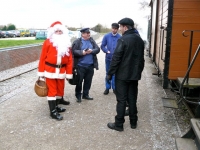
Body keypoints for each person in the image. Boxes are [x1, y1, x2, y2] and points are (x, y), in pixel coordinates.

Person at [107, 18, 145, 131]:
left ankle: (119, 124)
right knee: (132, 99)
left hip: (122, 76)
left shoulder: (123, 40)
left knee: (122, 100)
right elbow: (141, 60)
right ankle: (133, 122)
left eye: (120, 27)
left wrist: (110, 73)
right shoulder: (139, 40)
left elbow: (116, 58)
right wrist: (138, 72)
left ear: (125, 27)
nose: (120, 30)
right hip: (134, 76)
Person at [37, 21, 73, 120]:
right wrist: (41, 73)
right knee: (52, 90)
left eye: (60, 30)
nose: (58, 32)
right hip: (50, 70)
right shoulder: (47, 42)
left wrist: (69, 73)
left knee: (60, 90)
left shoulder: (67, 43)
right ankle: (52, 112)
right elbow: (42, 58)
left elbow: (70, 60)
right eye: (56, 31)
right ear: (53, 32)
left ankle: (56, 106)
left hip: (62, 71)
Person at [72, 28, 100, 103]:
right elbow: (73, 51)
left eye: (89, 33)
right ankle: (78, 95)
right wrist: (82, 52)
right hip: (80, 66)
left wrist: (92, 51)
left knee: (88, 81)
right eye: (87, 33)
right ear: (82, 34)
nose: (88, 34)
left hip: (90, 65)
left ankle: (85, 94)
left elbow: (97, 49)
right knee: (79, 82)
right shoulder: (77, 41)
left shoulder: (91, 40)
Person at [101, 23, 121, 95]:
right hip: (108, 58)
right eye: (113, 28)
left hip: (116, 59)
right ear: (111, 28)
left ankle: (115, 88)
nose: (114, 30)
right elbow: (102, 46)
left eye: (115, 29)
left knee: (115, 73)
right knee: (108, 73)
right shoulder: (106, 36)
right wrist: (106, 51)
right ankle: (107, 87)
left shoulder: (120, 37)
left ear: (118, 29)